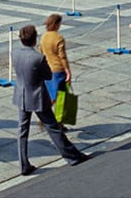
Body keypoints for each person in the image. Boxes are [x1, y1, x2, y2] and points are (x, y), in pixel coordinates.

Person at [12, 25, 89, 176]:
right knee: (52, 127)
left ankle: (24, 165)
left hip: (21, 95)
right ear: (34, 39)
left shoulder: (14, 52)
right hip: (37, 97)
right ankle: (72, 156)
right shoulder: (38, 58)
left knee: (22, 131)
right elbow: (48, 76)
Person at [40, 13, 72, 123]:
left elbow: (41, 52)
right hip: (58, 70)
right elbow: (62, 56)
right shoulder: (59, 38)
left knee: (50, 95)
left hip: (47, 70)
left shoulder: (44, 36)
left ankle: (45, 116)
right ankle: (59, 121)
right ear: (57, 24)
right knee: (60, 97)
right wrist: (68, 71)